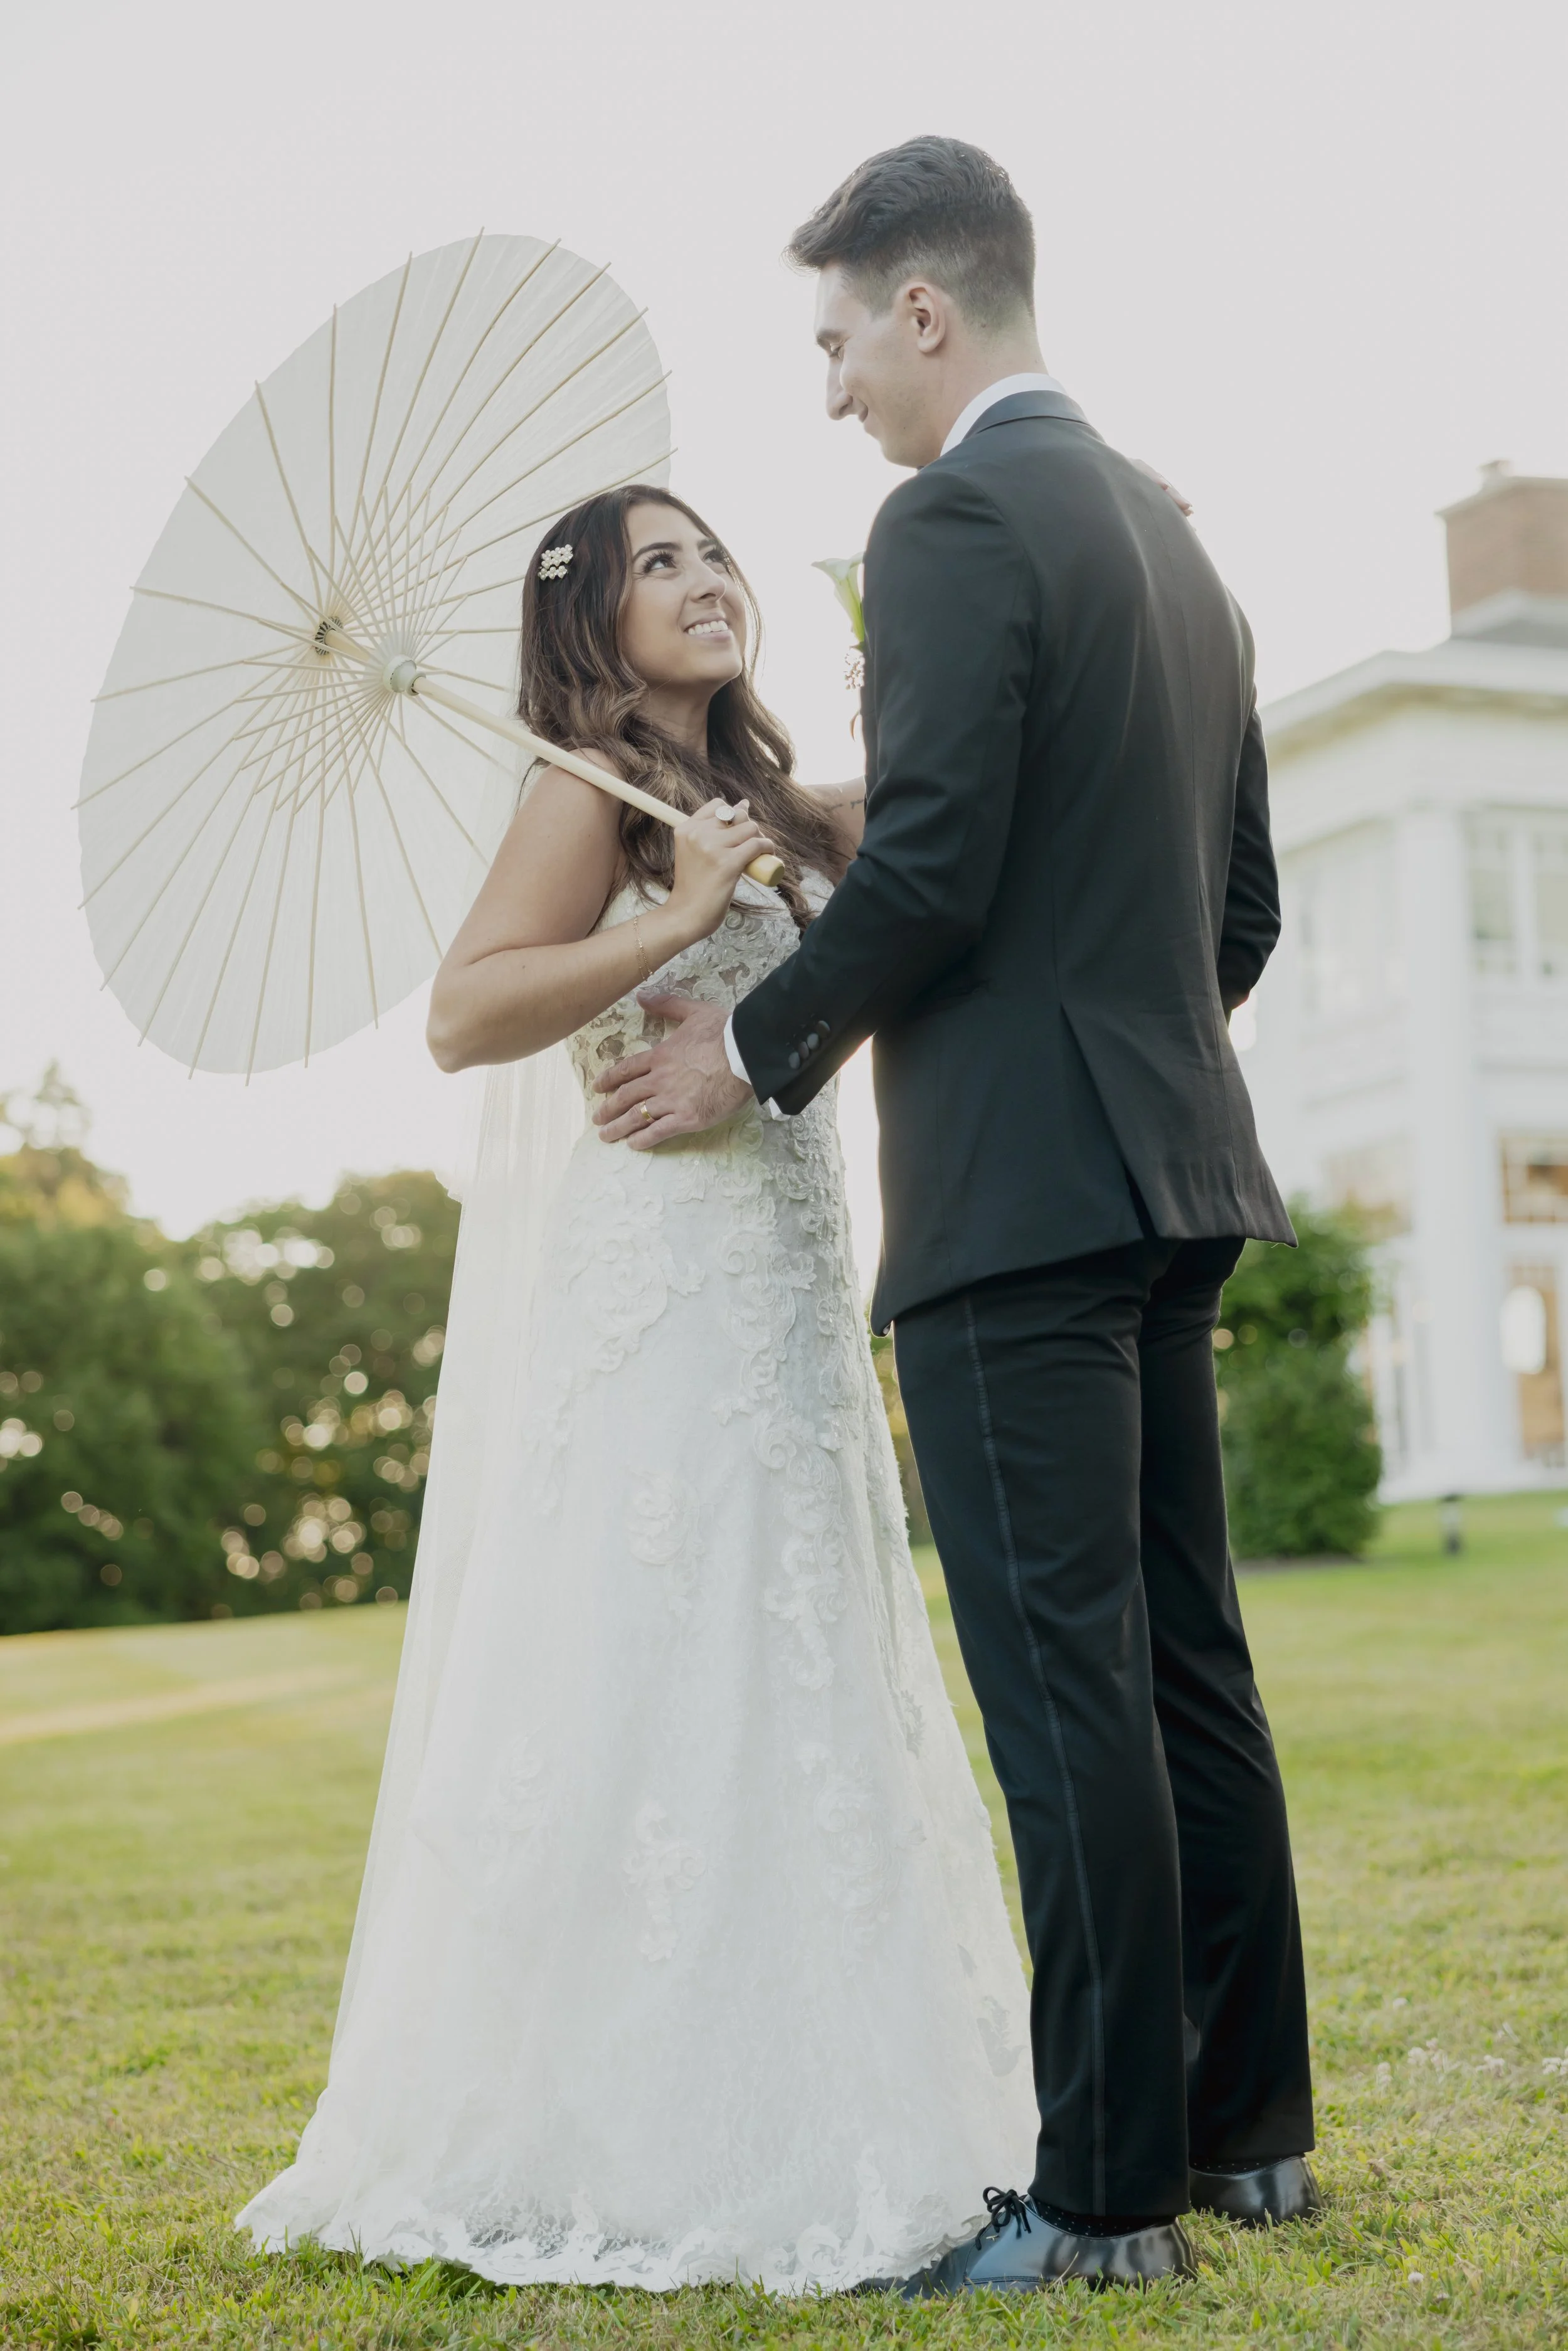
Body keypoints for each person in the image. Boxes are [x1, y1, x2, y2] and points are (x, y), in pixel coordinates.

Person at [592, 138, 1319, 2291]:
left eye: (833, 341)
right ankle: (1247, 2129)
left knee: (1064, 1691)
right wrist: (874, 839)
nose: (828, 394)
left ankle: (1101, 2196)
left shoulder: (947, 517)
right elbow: (1221, 904)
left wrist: (752, 1048)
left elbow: (932, 884)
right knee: (1185, 1662)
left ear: (926, 311)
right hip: (1176, 1165)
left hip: (1014, 1206)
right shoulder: (1175, 544)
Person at [236, 484, 1037, 2290]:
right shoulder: (582, 791)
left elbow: (927, 852)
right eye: (652, 565)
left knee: (799, 1660)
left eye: (708, 553)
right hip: (656, 1293)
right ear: (591, 627)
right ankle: (603, 2115)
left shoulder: (765, 797)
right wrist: (673, 917)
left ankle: (842, 2081)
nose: (702, 581)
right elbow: (465, 1009)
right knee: (657, 1653)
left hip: (788, 1306)